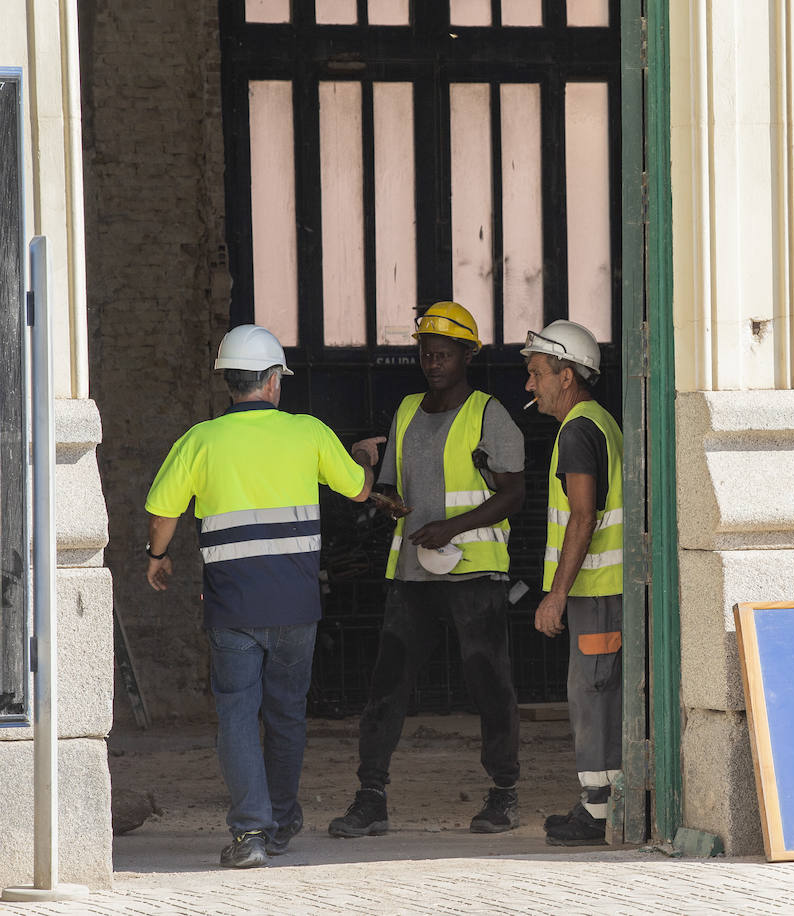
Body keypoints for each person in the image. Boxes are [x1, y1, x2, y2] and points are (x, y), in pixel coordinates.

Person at [144, 324, 377, 868]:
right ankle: (281, 823)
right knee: (287, 714)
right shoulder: (310, 433)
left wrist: (157, 557)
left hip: (232, 608)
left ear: (229, 381)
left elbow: (163, 514)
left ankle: (250, 833)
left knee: (236, 715)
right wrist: (363, 455)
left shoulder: (199, 440)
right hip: (296, 606)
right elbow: (360, 489)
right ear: (274, 381)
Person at [329, 300, 526, 839]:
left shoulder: (490, 414)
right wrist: (387, 501)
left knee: (489, 683)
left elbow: (513, 494)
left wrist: (453, 527)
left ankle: (503, 794)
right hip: (412, 575)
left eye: (443, 353)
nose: (432, 361)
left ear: (467, 354)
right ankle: (370, 797)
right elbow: (392, 484)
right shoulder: (407, 410)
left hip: (476, 574)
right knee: (386, 686)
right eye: (425, 352)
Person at [520, 320, 624, 846]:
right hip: (601, 590)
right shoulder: (597, 422)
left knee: (592, 695)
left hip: (595, 592)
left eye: (537, 373)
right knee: (598, 692)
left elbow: (582, 517)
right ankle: (602, 804)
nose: (529, 385)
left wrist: (556, 594)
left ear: (567, 375)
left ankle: (598, 812)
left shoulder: (577, 431)